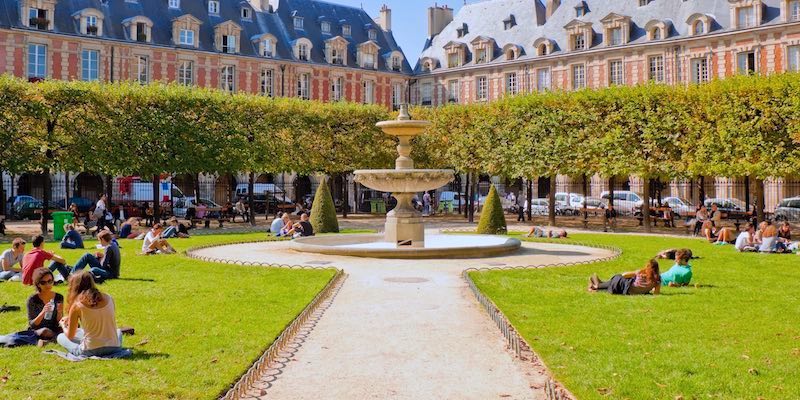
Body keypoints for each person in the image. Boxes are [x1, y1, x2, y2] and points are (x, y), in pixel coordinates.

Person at [57, 271, 123, 357]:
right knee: (118, 331)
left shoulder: (77, 305)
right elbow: (98, 317)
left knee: (61, 337)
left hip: (91, 350)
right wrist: (70, 317)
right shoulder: (109, 298)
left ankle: (83, 346)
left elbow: (70, 335)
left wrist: (63, 325)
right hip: (114, 347)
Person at [27, 268, 64, 342]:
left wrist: (59, 312)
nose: (47, 285)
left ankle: (50, 340)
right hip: (39, 329)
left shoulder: (59, 297)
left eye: (50, 281)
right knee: (45, 331)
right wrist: (43, 312)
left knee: (74, 325)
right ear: (38, 284)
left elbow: (58, 321)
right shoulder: (33, 299)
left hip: (54, 328)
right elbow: (32, 324)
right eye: (43, 282)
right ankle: (60, 338)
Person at [588, 259, 661, 295]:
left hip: (627, 288)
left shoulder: (641, 273)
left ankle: (597, 285)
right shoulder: (657, 280)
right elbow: (656, 293)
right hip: (628, 291)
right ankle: (599, 285)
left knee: (619, 277)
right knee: (618, 282)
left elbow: (624, 275)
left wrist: (636, 272)